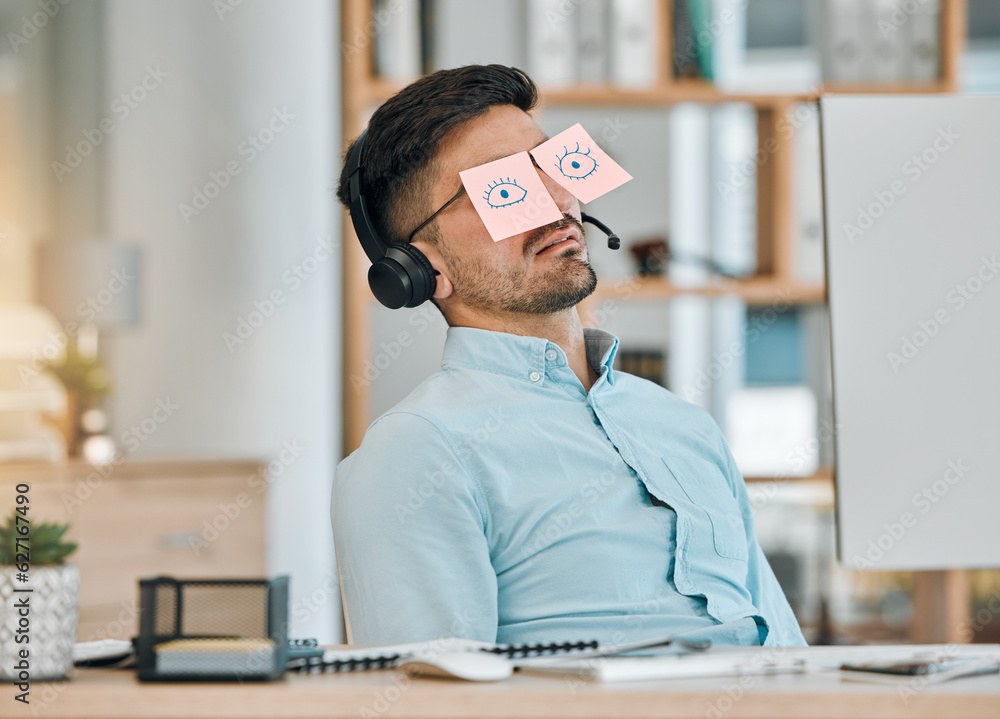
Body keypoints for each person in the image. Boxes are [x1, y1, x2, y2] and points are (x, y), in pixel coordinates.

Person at [332, 64, 807, 648]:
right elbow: (433, 702)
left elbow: (791, 655)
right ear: (421, 268)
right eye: (501, 188)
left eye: (550, 164)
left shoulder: (685, 428)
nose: (557, 200)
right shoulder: (416, 452)